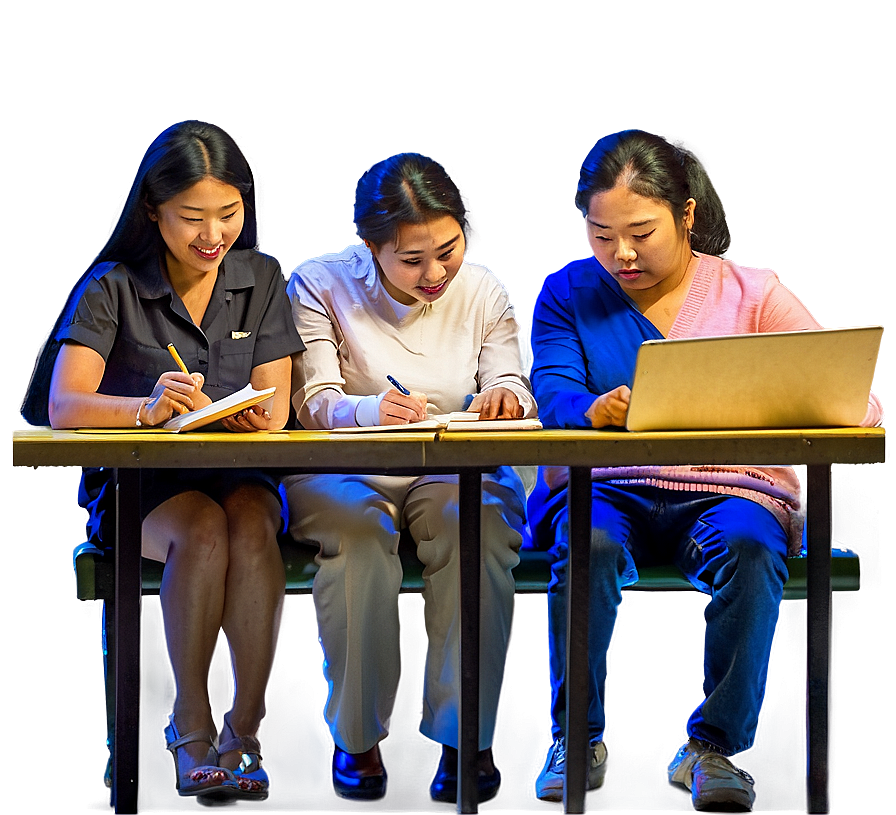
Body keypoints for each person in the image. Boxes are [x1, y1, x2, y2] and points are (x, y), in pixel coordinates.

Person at [527, 128, 884, 811]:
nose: (620, 254)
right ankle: (576, 739)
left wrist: (850, 404)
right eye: (601, 235)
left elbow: (831, 378)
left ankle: (712, 749)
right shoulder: (566, 293)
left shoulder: (752, 293)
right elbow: (553, 392)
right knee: (588, 548)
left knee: (753, 551)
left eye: (640, 232)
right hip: (611, 488)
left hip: (731, 491)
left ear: (687, 216)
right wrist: (592, 408)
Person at [22, 119, 305, 804]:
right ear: (153, 210)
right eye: (192, 218)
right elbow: (65, 404)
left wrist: (253, 415)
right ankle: (194, 729)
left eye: (228, 214)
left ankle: (247, 734)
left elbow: (277, 406)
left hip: (240, 474)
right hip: (141, 486)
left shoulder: (262, 276)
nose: (213, 235)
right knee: (201, 528)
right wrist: (144, 410)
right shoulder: (112, 285)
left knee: (247, 520)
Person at [281, 152, 536, 802]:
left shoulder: (482, 288)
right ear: (370, 248)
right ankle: (357, 738)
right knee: (360, 542)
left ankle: (465, 736)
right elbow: (314, 404)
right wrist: (372, 410)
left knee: (474, 529)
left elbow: (508, 374)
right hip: (347, 468)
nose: (436, 273)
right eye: (412, 258)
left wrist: (505, 395)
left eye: (447, 251)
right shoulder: (320, 283)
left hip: (455, 467)